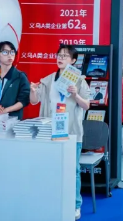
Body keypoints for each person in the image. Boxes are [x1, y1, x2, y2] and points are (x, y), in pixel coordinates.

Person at [30, 44, 90, 220]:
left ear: (73, 61)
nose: (61, 58)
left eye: (65, 56)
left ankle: (75, 205)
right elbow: (34, 101)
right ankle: (52, 201)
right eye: (59, 55)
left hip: (71, 131)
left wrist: (76, 95)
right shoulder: (48, 80)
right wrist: (33, 91)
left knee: (74, 170)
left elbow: (86, 105)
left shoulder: (79, 81)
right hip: (50, 131)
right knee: (50, 167)